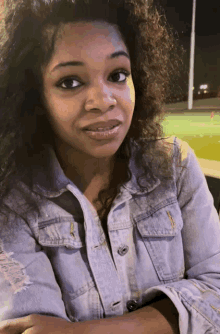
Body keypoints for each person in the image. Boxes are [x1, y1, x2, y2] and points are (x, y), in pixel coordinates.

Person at [0, 0, 219, 333]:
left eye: (118, 75)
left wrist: (83, 332)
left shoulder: (174, 167)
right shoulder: (13, 202)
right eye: (70, 82)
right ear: (34, 96)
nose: (103, 100)